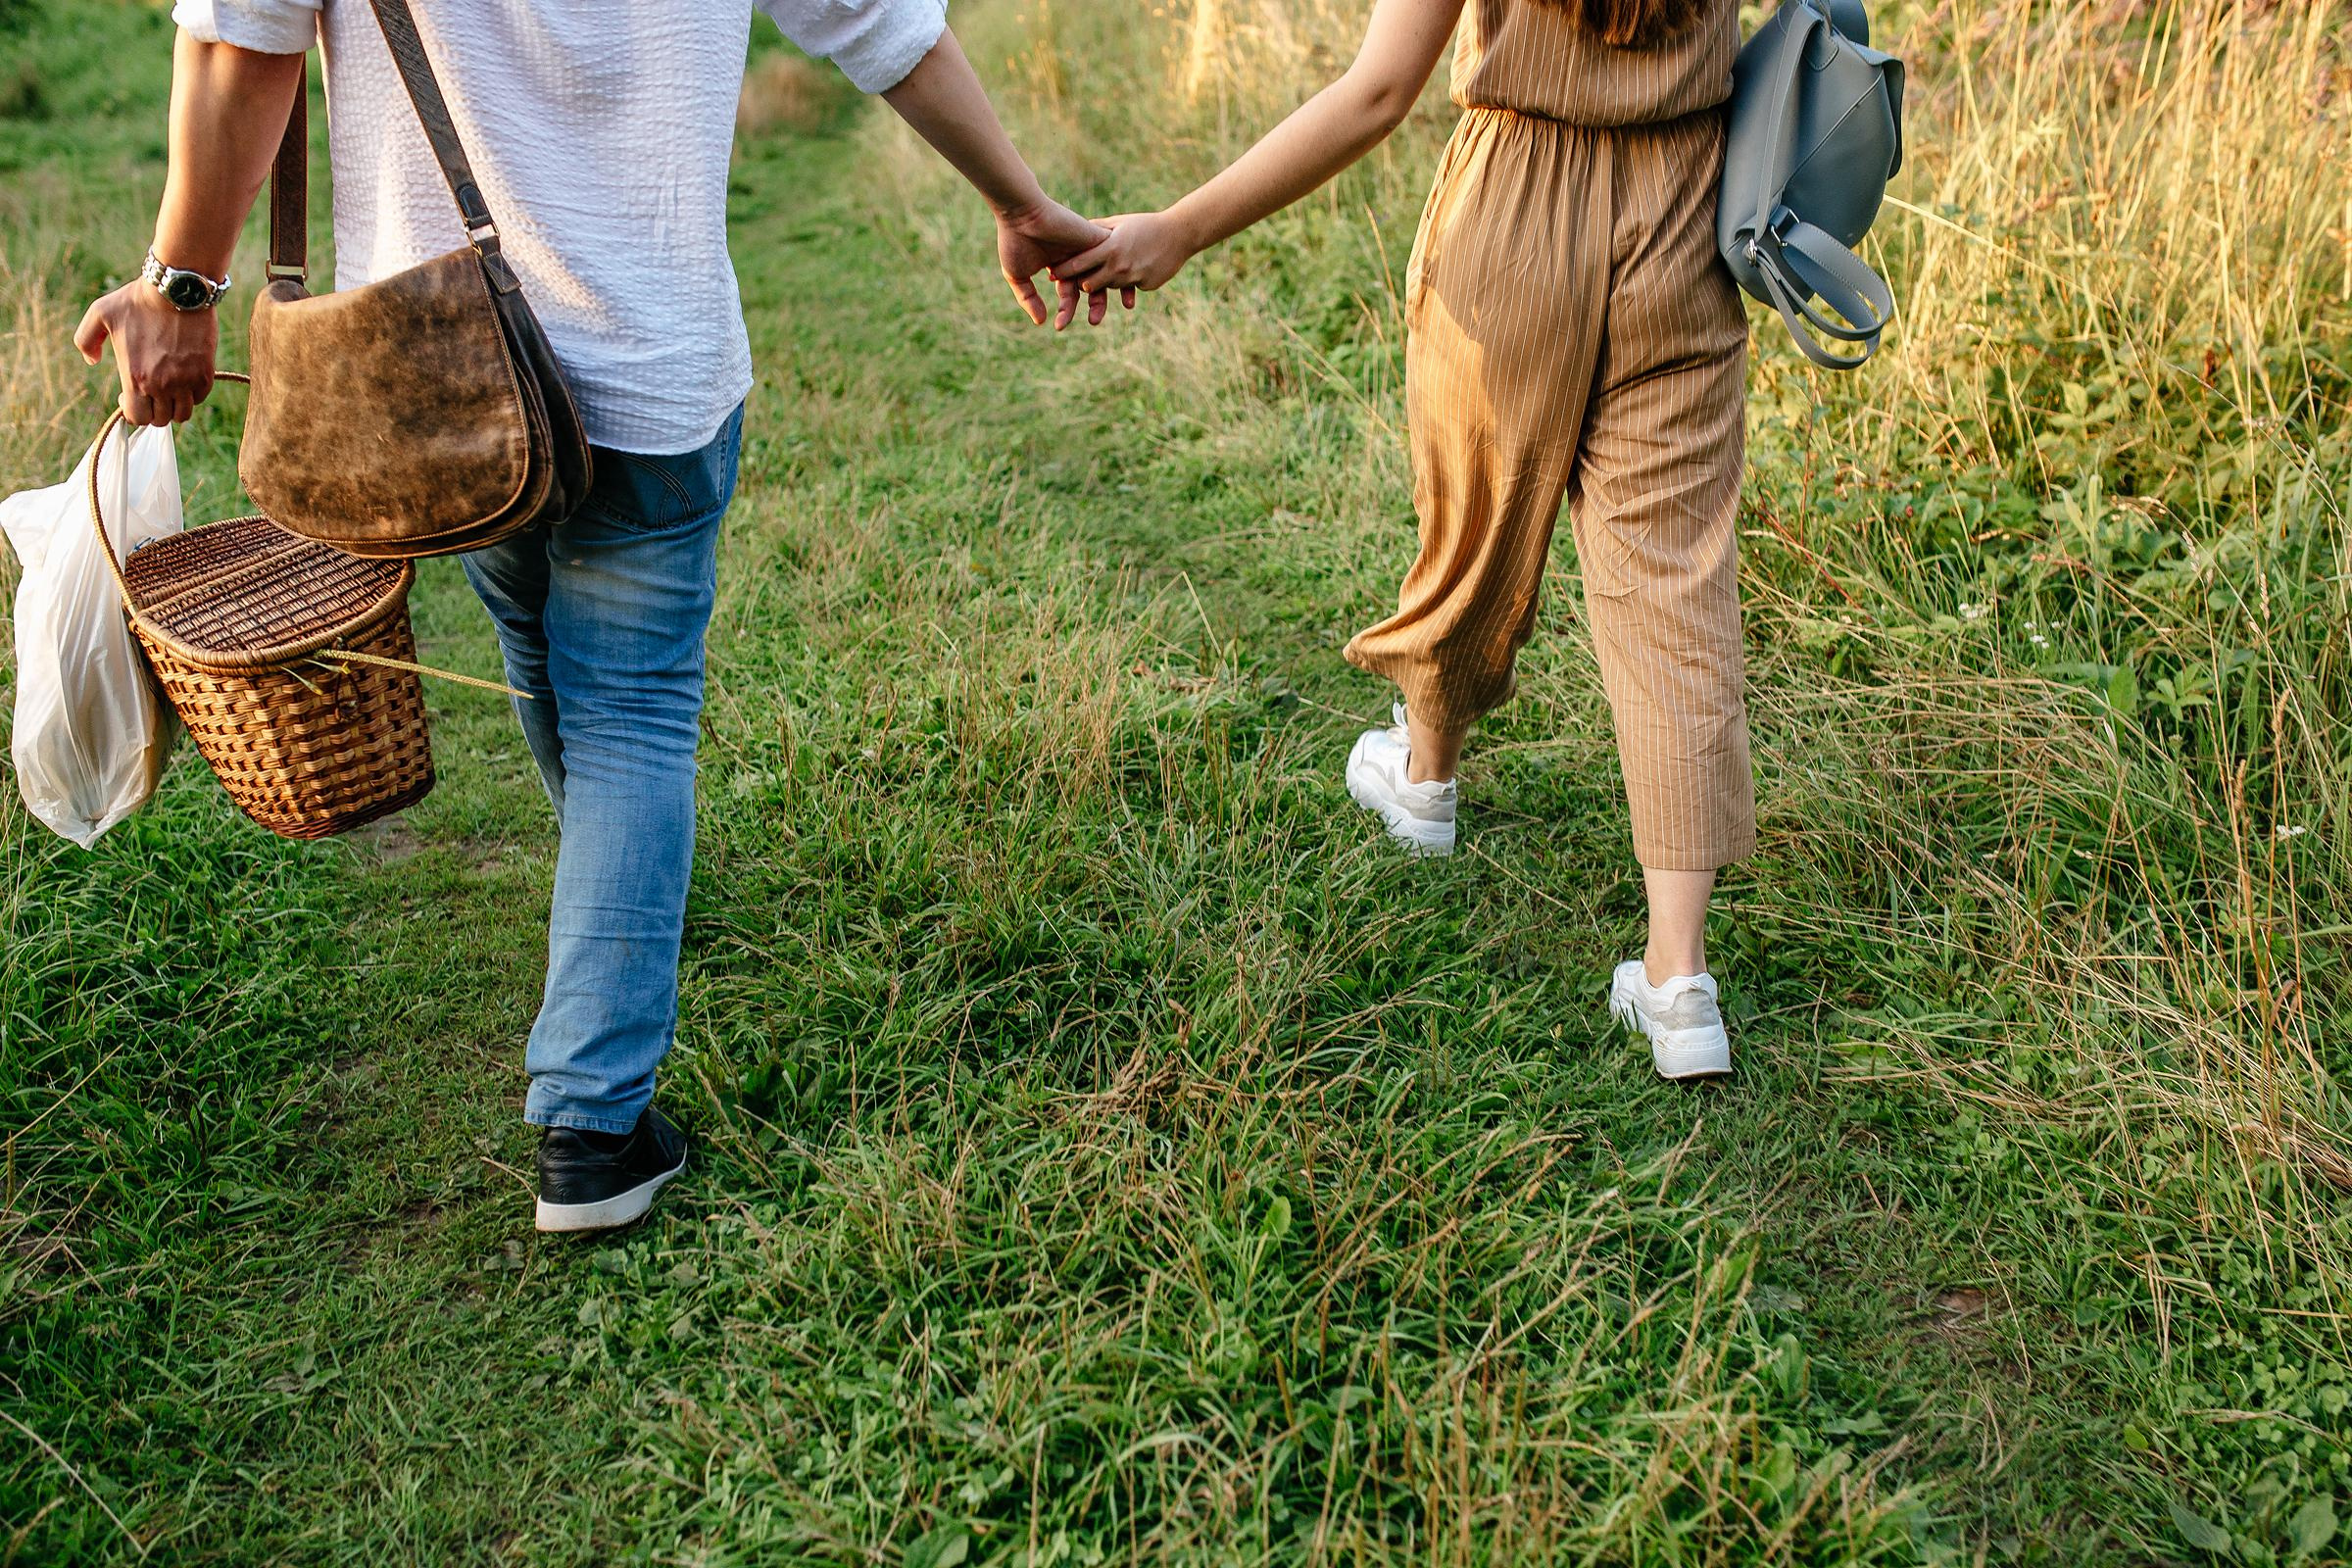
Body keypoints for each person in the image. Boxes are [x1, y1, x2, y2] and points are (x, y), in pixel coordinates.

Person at [77, 0, 1115, 1232]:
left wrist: (180, 287)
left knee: (543, 655)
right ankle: (595, 1122)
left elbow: (239, 47)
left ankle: (616, 938)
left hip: (437, 363)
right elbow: (887, 31)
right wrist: (1021, 203)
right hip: (654, 367)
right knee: (631, 713)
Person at [1058, 0, 1753, 1079]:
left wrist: (1180, 228)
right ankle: (1679, 982)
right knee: (1675, 590)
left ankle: (1426, 780)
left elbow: (1377, 93)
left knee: (1473, 525)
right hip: (1689, 219)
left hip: (1513, 216)